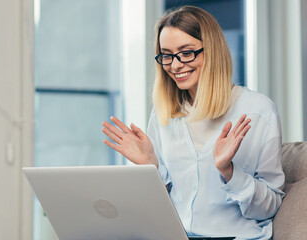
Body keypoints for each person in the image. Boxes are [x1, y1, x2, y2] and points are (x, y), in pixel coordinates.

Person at [102, 6, 285, 240]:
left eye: (186, 52)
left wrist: (228, 171)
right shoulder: (163, 114)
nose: (175, 65)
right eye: (166, 55)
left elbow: (270, 208)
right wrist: (151, 167)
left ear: (212, 51)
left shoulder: (259, 111)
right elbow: (164, 205)